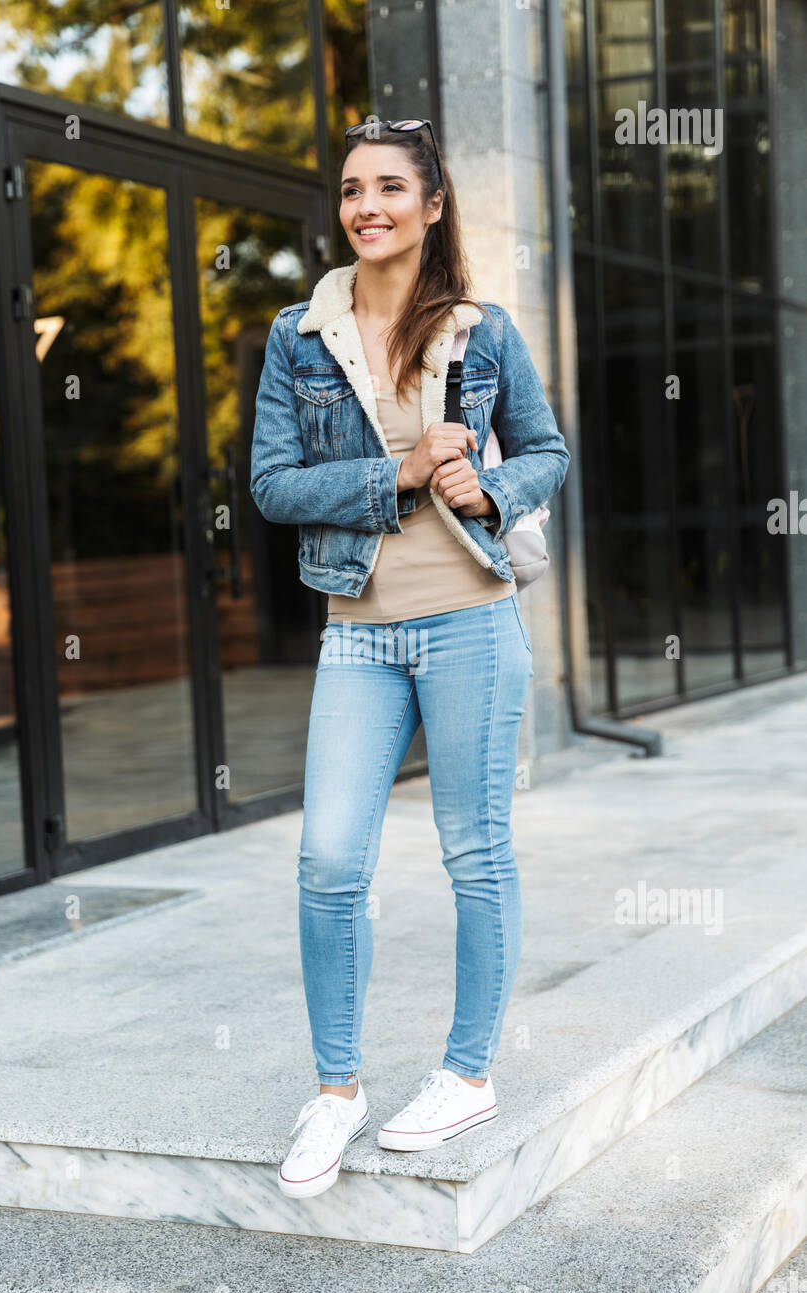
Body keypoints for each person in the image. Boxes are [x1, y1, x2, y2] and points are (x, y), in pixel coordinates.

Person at [250, 117, 570, 1199]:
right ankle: (335, 1091)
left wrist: (493, 486)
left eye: (391, 186)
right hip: (359, 632)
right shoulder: (298, 335)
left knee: (473, 852)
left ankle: (467, 1071)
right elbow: (273, 485)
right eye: (351, 189)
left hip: (471, 618)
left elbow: (546, 450)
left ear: (432, 205)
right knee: (329, 862)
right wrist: (394, 473)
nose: (367, 205)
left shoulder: (483, 332)